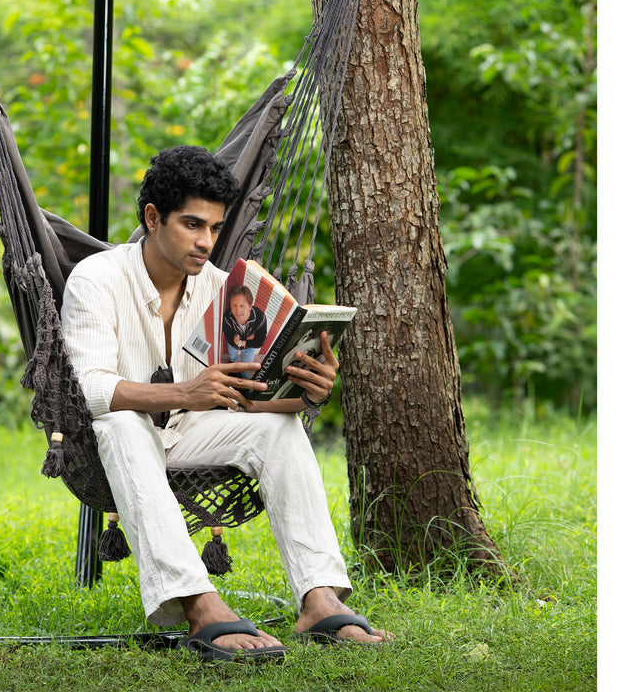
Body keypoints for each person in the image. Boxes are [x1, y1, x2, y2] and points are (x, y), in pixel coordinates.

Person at [60, 145, 388, 661]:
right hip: (119, 441)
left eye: (214, 227)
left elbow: (247, 398)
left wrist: (306, 392)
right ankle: (199, 604)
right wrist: (185, 392)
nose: (206, 242)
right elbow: (89, 391)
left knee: (280, 429)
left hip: (190, 431)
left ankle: (319, 597)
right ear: (153, 217)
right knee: (122, 423)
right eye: (192, 225)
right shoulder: (96, 279)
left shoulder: (225, 291)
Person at [221, 284, 267, 377]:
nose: (237, 310)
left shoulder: (260, 317)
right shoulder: (227, 316)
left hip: (249, 347)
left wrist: (241, 342)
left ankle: (243, 377)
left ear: (250, 306)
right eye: (234, 305)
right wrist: (250, 338)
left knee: (246, 365)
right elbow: (229, 337)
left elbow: (259, 342)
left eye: (242, 306)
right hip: (234, 345)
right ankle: (233, 367)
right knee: (232, 356)